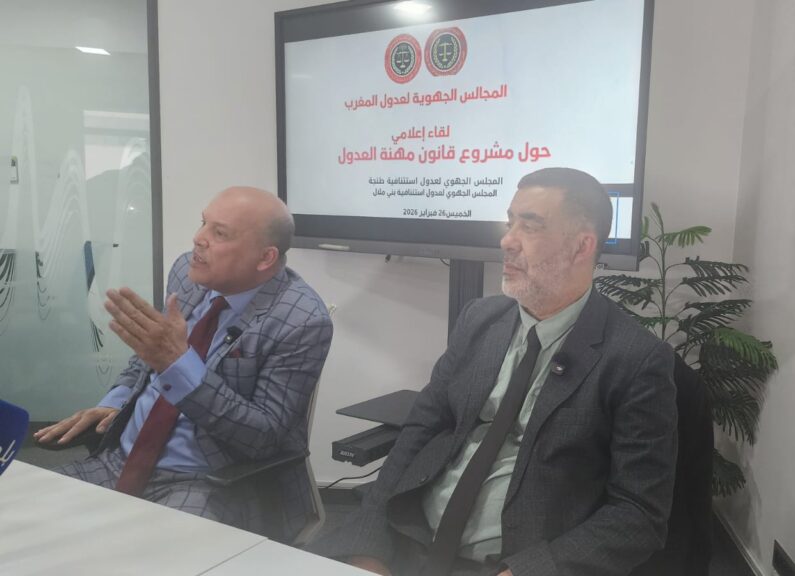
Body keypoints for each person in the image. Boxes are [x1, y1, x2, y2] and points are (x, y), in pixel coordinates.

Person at [337, 168, 678, 576]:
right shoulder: (481, 320)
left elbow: (638, 514)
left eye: (529, 227)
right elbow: (419, 431)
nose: (507, 240)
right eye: (510, 221)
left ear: (581, 246)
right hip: (408, 538)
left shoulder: (635, 359)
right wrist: (368, 547)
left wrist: (529, 572)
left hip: (516, 564)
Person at [34, 186, 333, 542]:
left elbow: (262, 437)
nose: (198, 238)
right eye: (203, 223)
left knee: (158, 556)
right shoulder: (186, 273)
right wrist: (115, 402)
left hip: (208, 480)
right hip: (119, 460)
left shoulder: (300, 320)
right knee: (18, 515)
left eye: (219, 233)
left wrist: (179, 365)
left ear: (265, 257)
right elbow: (149, 357)